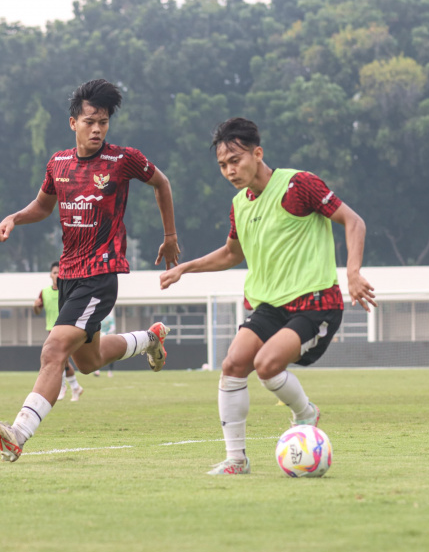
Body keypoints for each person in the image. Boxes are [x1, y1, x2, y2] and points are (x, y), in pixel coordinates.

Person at [160, 117, 376, 475]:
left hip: (315, 303)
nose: (229, 170)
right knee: (232, 365)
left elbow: (354, 222)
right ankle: (236, 460)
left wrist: (353, 273)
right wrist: (186, 267)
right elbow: (232, 254)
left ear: (257, 154)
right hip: (271, 305)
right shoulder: (240, 204)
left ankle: (306, 414)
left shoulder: (298, 185)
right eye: (222, 165)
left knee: (266, 365)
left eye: (236, 160)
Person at [0, 78, 181, 462]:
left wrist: (170, 236)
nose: (98, 129)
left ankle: (17, 434)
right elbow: (42, 206)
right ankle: (150, 339)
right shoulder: (58, 164)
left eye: (103, 122)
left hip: (100, 276)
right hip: (70, 275)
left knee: (54, 349)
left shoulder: (123, 160)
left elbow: (162, 183)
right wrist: (14, 218)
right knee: (88, 362)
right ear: (73, 123)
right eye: (90, 121)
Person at [34, 261, 84, 401]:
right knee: (63, 361)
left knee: (59, 359)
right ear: (51, 274)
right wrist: (36, 306)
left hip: (66, 328)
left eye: (59, 272)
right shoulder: (44, 292)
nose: (57, 275)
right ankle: (75, 387)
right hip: (52, 329)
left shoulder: (68, 290)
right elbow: (37, 311)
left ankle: (63, 387)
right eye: (55, 272)